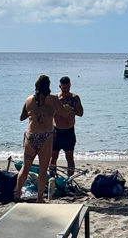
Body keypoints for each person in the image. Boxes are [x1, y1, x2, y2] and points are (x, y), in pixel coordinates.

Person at [15, 75, 57, 203]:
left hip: (31, 135)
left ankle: (17, 195)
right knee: (43, 170)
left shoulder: (29, 99)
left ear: (36, 86)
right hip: (46, 136)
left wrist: (33, 114)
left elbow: (22, 117)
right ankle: (39, 198)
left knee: (25, 167)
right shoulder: (53, 99)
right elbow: (64, 113)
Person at [52, 76, 84, 173]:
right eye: (64, 88)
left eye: (68, 87)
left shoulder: (74, 98)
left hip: (68, 130)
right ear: (60, 87)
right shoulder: (55, 98)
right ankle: (52, 179)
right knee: (53, 157)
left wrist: (72, 110)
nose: (66, 90)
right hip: (56, 131)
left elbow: (81, 113)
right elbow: (48, 114)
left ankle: (69, 181)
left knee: (69, 157)